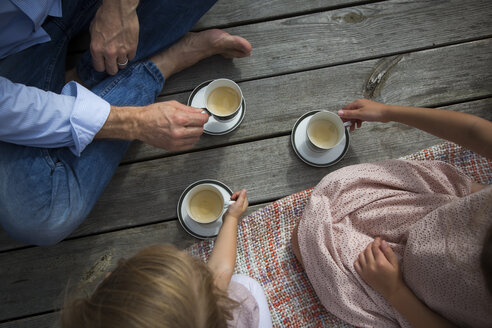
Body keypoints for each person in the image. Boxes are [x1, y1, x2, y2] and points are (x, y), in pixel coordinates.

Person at [0, 0, 252, 246]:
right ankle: (166, 62)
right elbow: (9, 107)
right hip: (10, 54)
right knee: (38, 215)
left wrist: (119, 6)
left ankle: (83, 81)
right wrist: (134, 122)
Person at [291, 99, 492, 327]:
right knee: (333, 194)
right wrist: (387, 112)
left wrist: (395, 291)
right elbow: (474, 132)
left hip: (417, 299)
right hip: (434, 213)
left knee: (306, 239)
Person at [61, 189, 273, 328]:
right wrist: (232, 217)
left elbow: (217, 275)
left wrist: (231, 216)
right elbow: (219, 272)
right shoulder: (220, 315)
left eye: (116, 273)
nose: (106, 274)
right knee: (246, 286)